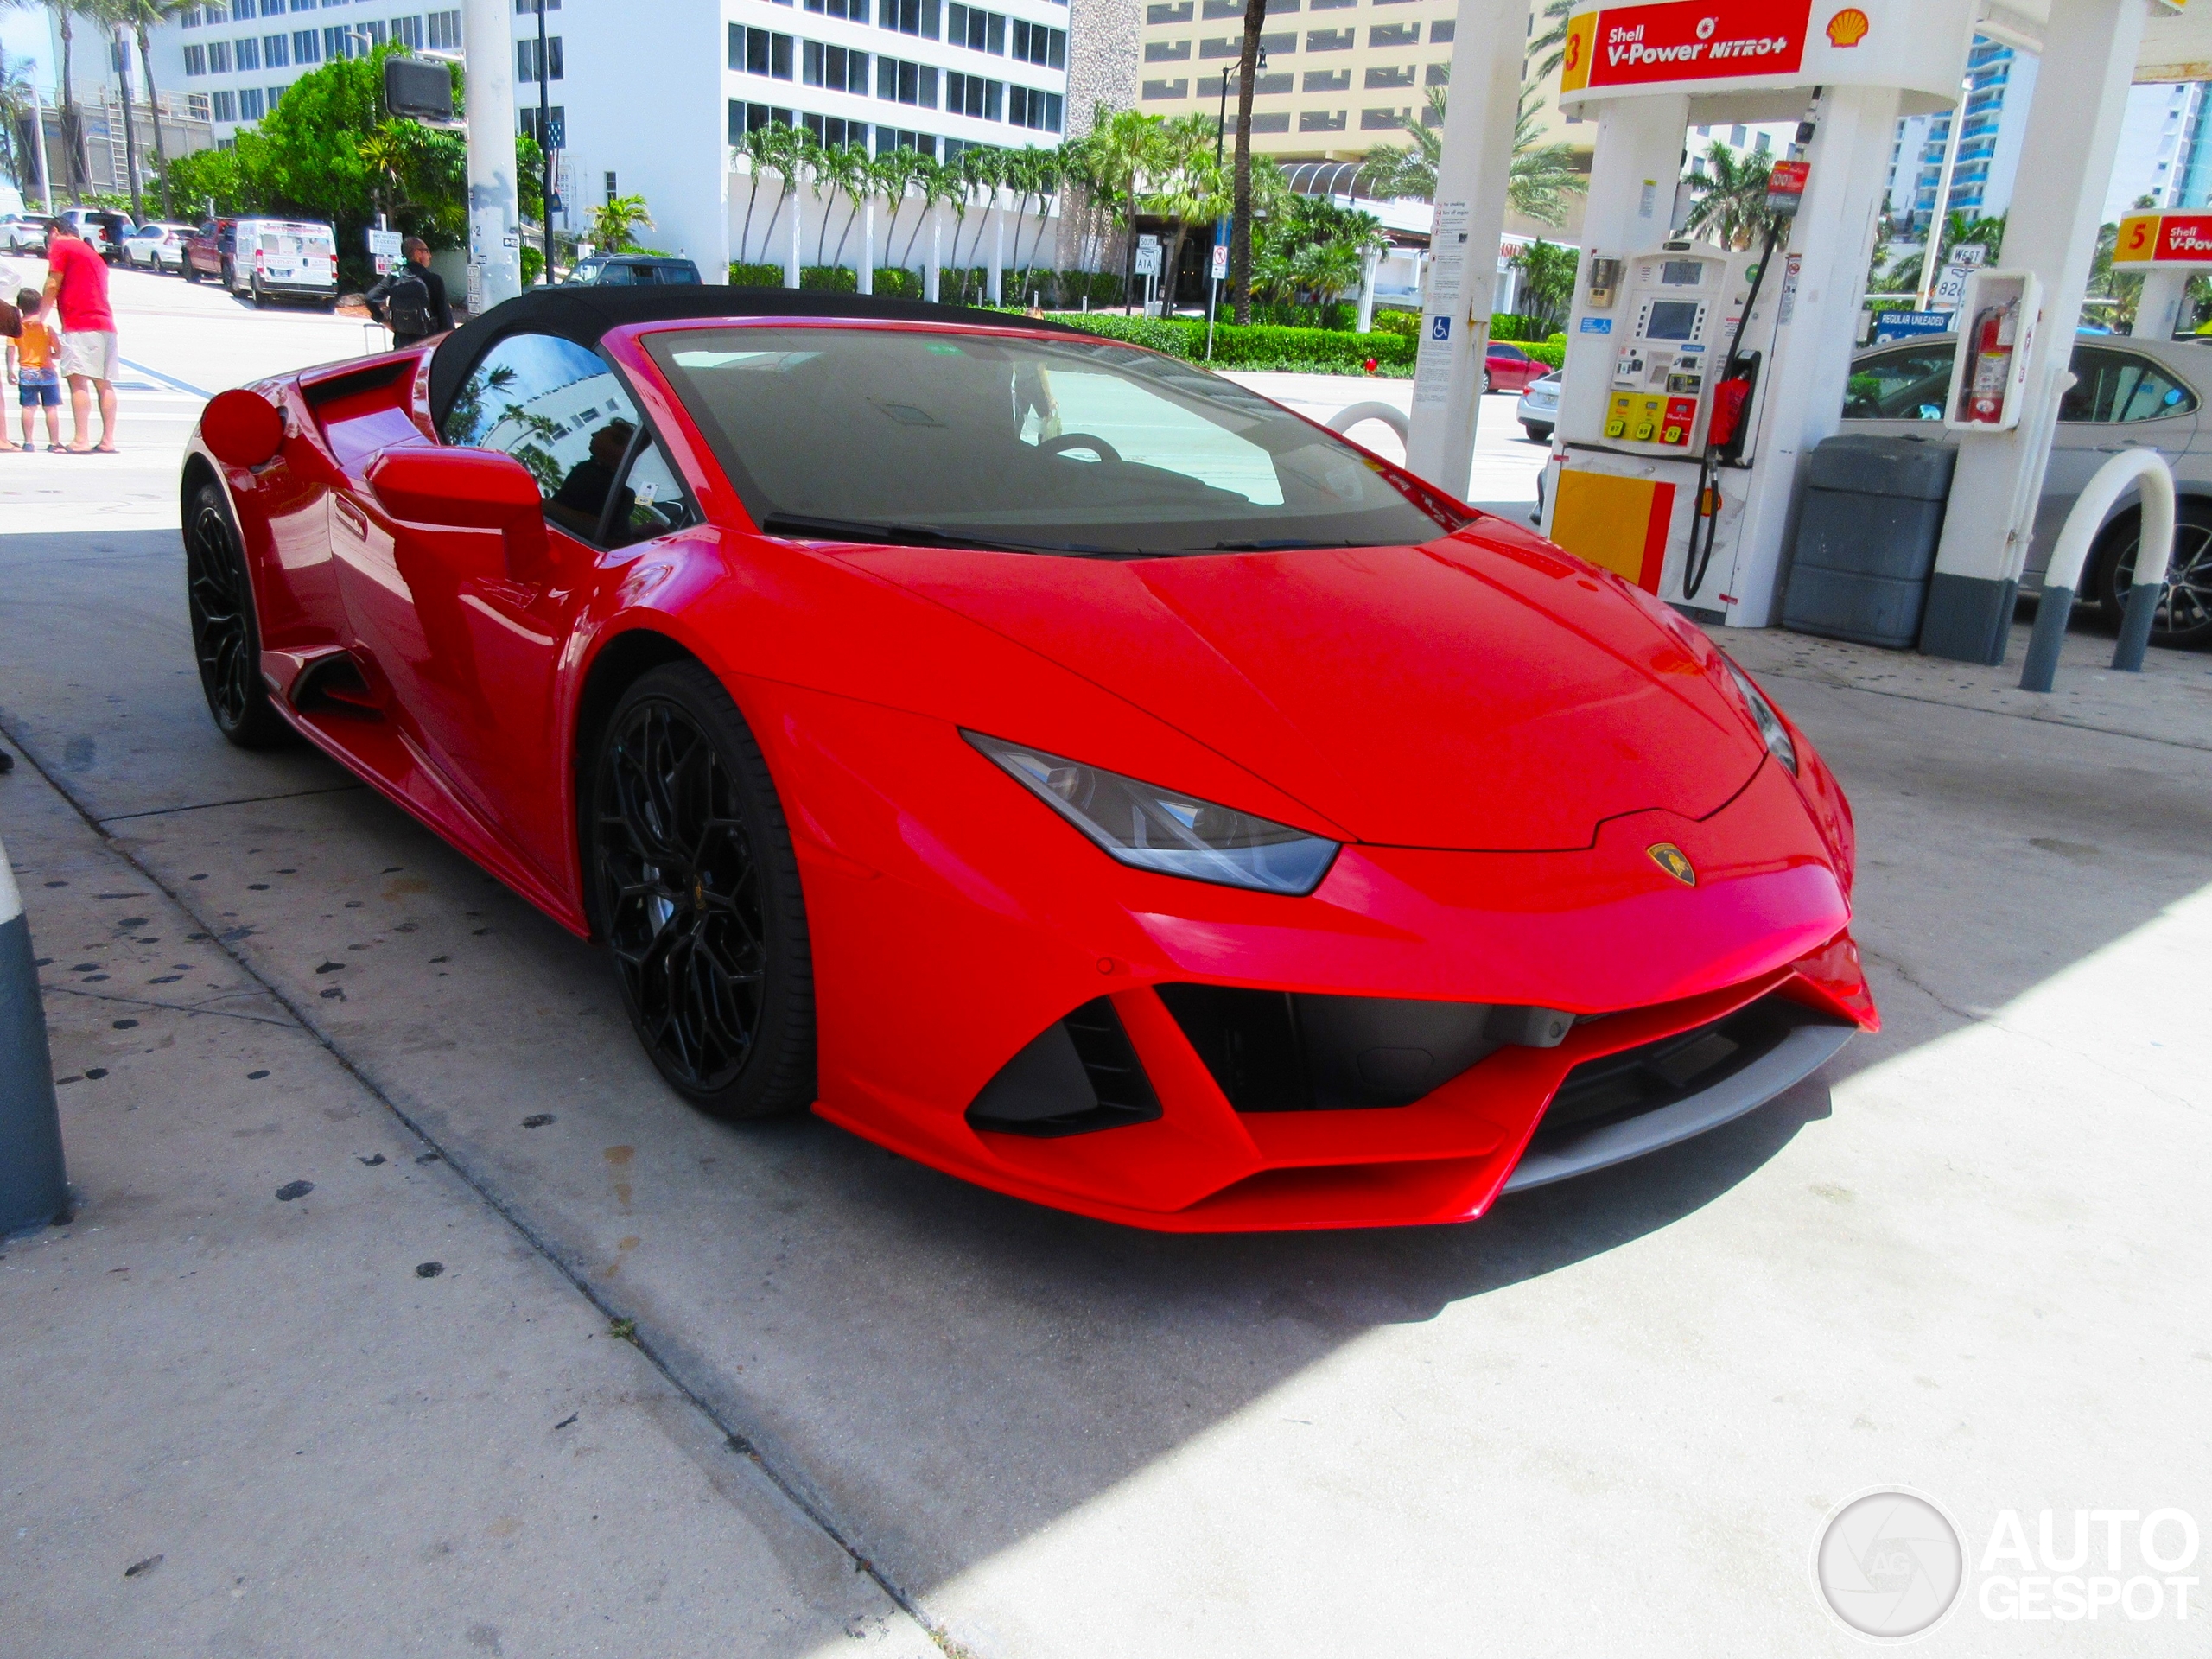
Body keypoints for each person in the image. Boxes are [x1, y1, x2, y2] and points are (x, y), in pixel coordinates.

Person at [42, 219, 118, 454]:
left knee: (77, 380)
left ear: (55, 231)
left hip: (80, 322)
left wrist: (40, 316)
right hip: (105, 322)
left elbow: (53, 283)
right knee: (104, 383)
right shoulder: (92, 254)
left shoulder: (62, 246)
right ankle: (108, 440)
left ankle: (81, 439)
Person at [546, 420, 636, 538]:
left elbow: (596, 529)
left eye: (602, 432)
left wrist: (544, 505)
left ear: (619, 446)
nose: (593, 434)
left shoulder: (620, 493)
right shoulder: (586, 466)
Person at [364, 237, 454, 348]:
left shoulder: (394, 278)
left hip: (401, 344)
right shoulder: (433, 279)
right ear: (417, 254)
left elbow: (370, 298)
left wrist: (384, 321)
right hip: (427, 345)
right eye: (427, 251)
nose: (430, 256)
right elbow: (445, 319)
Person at [6, 289, 63, 453]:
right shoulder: (46, 328)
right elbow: (59, 351)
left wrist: (10, 370)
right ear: (40, 306)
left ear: (19, 306)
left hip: (27, 372)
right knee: (51, 408)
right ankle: (54, 442)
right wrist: (51, 355)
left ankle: (28, 442)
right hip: (47, 371)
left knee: (28, 407)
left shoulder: (16, 328)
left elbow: (10, 350)